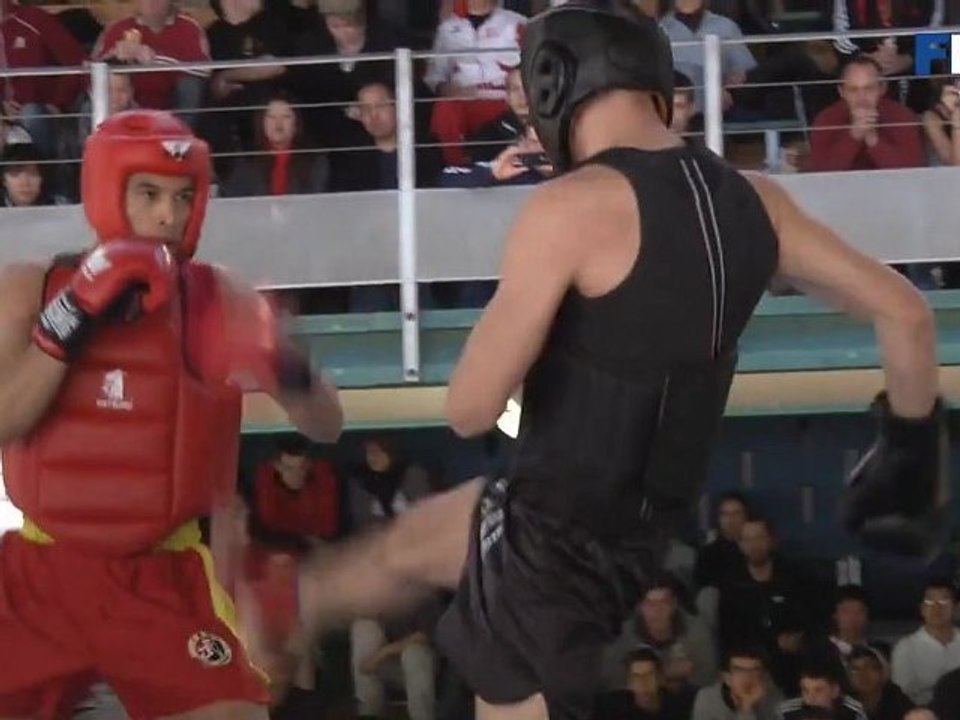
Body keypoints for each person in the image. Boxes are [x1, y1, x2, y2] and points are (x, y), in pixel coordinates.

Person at [255, 3, 944, 720]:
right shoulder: (757, 202)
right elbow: (908, 313)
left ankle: (268, 619)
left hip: (552, 547)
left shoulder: (572, 207)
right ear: (653, 86)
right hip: (625, 528)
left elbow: (468, 410)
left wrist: (527, 352)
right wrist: (910, 448)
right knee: (405, 547)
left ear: (553, 88)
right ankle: (272, 611)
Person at [0, 109, 343, 720]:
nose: (169, 215)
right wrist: (68, 320)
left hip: (162, 575)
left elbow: (327, 425)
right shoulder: (32, 288)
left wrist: (284, 363)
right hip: (39, 574)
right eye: (150, 194)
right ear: (108, 194)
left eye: (185, 197)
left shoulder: (218, 297)